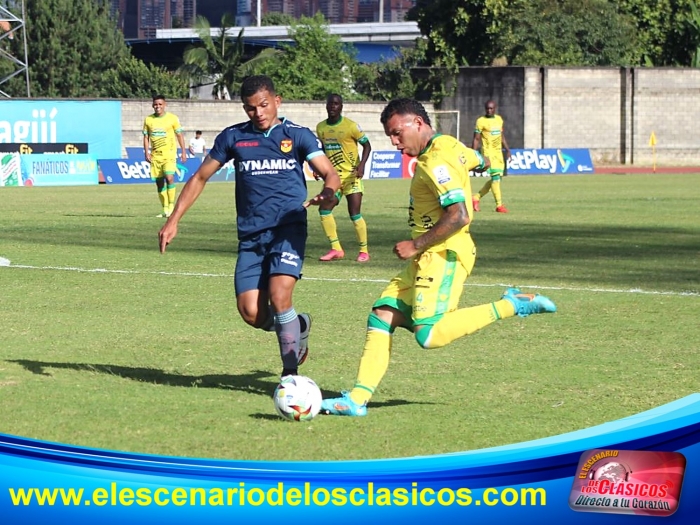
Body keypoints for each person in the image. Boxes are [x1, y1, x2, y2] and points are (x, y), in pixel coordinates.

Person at [321, 98, 556, 417]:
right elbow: (479, 159)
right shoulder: (449, 143)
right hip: (426, 256)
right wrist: (479, 166)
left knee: (428, 335)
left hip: (444, 253)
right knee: (382, 313)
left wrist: (416, 245)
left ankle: (511, 304)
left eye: (396, 133)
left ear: (417, 123)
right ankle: (357, 400)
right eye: (390, 136)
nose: (394, 142)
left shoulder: (435, 163)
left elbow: (459, 215)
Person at [159, 75, 341, 378]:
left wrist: (330, 194)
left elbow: (329, 173)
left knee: (280, 295)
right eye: (250, 108)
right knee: (252, 313)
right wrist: (173, 219)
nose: (258, 113)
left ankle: (290, 376)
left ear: (277, 101)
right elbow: (200, 177)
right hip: (251, 235)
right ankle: (299, 326)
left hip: (288, 229)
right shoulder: (234, 137)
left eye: (263, 105)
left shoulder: (297, 135)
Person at [315, 94, 373, 262]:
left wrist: (361, 165)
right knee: (324, 210)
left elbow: (367, 145)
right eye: (330, 103)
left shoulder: (351, 126)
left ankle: (364, 251)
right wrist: (320, 168)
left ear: (341, 107)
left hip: (351, 177)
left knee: (354, 213)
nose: (333, 106)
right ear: (326, 106)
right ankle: (336, 249)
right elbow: (325, 151)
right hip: (334, 178)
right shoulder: (321, 128)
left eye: (336, 104)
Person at [143, 95, 188, 218]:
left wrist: (184, 151)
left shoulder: (172, 119)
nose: (157, 106)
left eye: (160, 104)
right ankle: (165, 209)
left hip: (169, 155)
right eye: (155, 104)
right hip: (155, 156)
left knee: (169, 178)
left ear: (165, 105)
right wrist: (146, 151)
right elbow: (146, 137)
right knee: (159, 183)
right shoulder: (148, 120)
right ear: (153, 105)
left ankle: (171, 206)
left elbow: (179, 135)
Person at [472, 100, 511, 213]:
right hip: (488, 154)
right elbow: (476, 139)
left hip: (498, 154)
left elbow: (501, 136)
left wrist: (507, 150)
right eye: (487, 109)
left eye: (491, 108)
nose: (489, 110)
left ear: (495, 108)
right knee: (495, 178)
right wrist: (473, 154)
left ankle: (476, 198)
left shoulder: (499, 120)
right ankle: (499, 205)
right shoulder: (481, 121)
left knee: (497, 179)